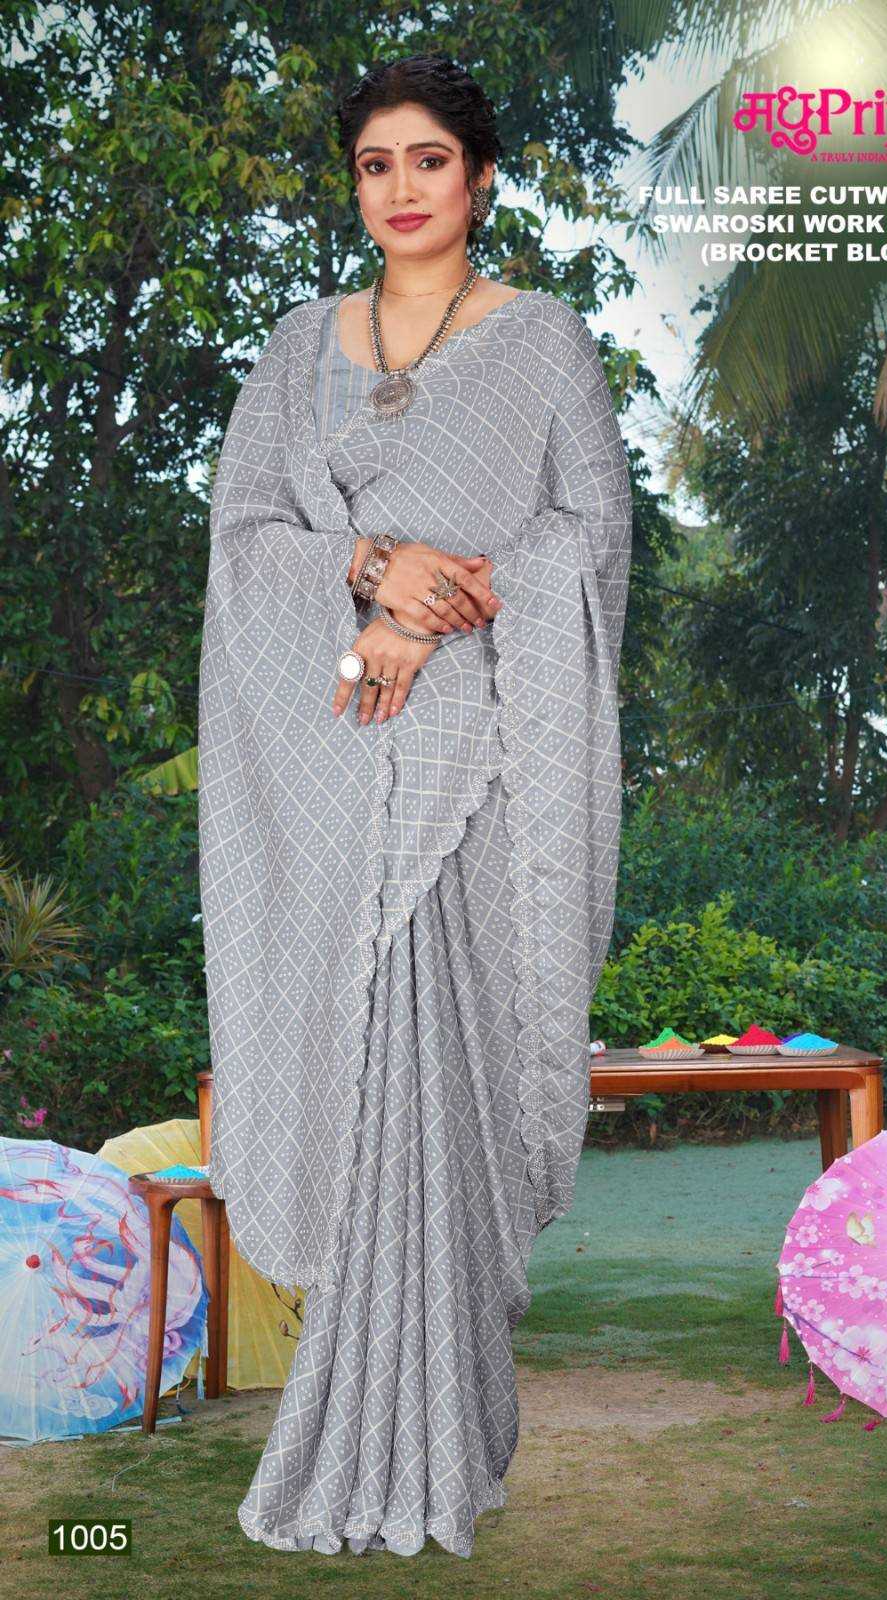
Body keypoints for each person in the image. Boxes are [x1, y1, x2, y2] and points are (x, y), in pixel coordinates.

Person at [197, 51, 631, 1560]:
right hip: (335, 772)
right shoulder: (293, 351)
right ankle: (369, 1440)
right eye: (376, 164)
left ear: (481, 175)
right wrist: (371, 572)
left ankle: (444, 1437)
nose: (401, 188)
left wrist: (436, 612)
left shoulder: (545, 345)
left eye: (429, 160)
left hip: (480, 777)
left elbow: (591, 540)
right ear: (355, 183)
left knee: (450, 1088)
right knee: (362, 1074)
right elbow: (245, 538)